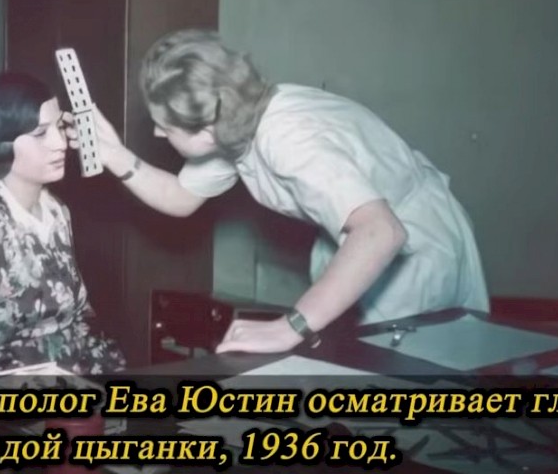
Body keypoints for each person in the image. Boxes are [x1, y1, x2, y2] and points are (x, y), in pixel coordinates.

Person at [87, 29, 489, 355]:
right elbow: (180, 197)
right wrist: (115, 155)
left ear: (206, 130)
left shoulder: (288, 138)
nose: (158, 133)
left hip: (411, 246)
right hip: (360, 237)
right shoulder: (235, 121)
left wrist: (288, 326)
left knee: (409, 389)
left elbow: (382, 232)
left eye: (166, 127)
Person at [0, 72, 126, 375]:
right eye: (40, 133)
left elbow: (76, 321)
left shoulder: (55, 210)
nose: (60, 143)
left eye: (59, 127)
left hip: (59, 374)